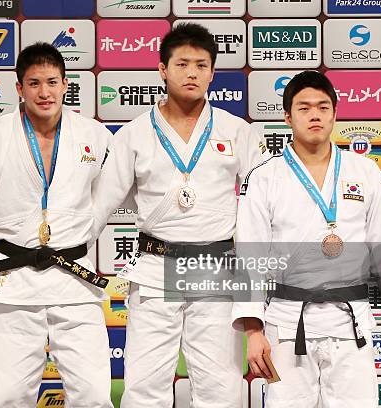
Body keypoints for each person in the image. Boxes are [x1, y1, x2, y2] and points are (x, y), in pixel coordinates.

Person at [91, 23, 269, 407]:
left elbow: (264, 204)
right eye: (183, 63)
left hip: (216, 266)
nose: (192, 73)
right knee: (144, 386)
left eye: (201, 65)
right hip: (157, 266)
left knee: (220, 386)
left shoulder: (238, 131)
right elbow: (99, 207)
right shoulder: (133, 135)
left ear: (212, 72)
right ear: (162, 70)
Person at [234, 70, 381, 408]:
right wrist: (253, 331)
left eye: (322, 106)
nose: (314, 115)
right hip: (287, 324)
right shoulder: (264, 177)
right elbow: (250, 258)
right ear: (288, 117)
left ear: (334, 113)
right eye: (303, 108)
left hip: (352, 325)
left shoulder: (364, 172)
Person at [0, 42, 113, 407]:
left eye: (51, 82)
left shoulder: (94, 136)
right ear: (19, 88)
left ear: (66, 84)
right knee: (10, 396)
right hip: (15, 283)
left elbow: (117, 193)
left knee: (94, 395)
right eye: (34, 83)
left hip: (75, 281)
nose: (44, 93)